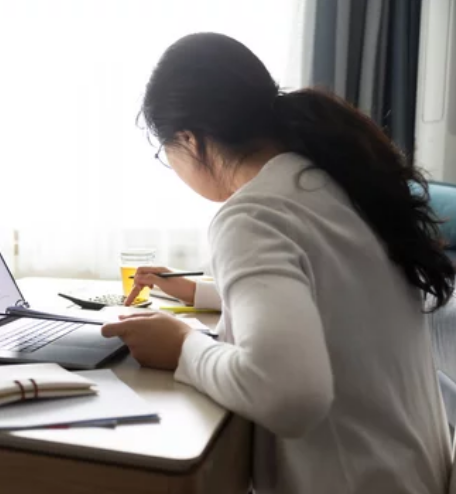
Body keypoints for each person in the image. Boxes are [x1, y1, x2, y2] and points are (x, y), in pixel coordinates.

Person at [101, 32, 455, 494]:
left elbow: (288, 394)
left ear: (189, 139)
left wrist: (183, 346)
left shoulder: (253, 215)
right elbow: (337, 291)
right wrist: (199, 292)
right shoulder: (334, 182)